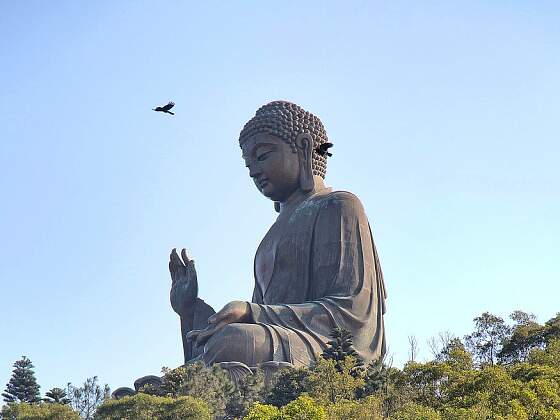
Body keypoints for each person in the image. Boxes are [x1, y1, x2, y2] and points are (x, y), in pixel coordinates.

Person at [169, 101, 386, 368]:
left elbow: (352, 314)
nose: (254, 171)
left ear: (304, 148)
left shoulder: (339, 206)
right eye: (248, 165)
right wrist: (190, 309)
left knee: (232, 342)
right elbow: (258, 319)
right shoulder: (270, 237)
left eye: (262, 156)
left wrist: (251, 312)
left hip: (329, 348)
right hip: (280, 340)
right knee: (219, 344)